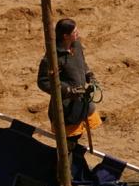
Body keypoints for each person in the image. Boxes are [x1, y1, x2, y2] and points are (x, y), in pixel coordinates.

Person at [36, 18, 99, 146]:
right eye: (74, 32)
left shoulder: (76, 45)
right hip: (65, 108)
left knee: (78, 137)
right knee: (68, 143)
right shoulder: (52, 58)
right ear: (65, 36)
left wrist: (89, 75)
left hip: (82, 102)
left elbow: (82, 63)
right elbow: (43, 81)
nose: (78, 33)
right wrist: (67, 90)